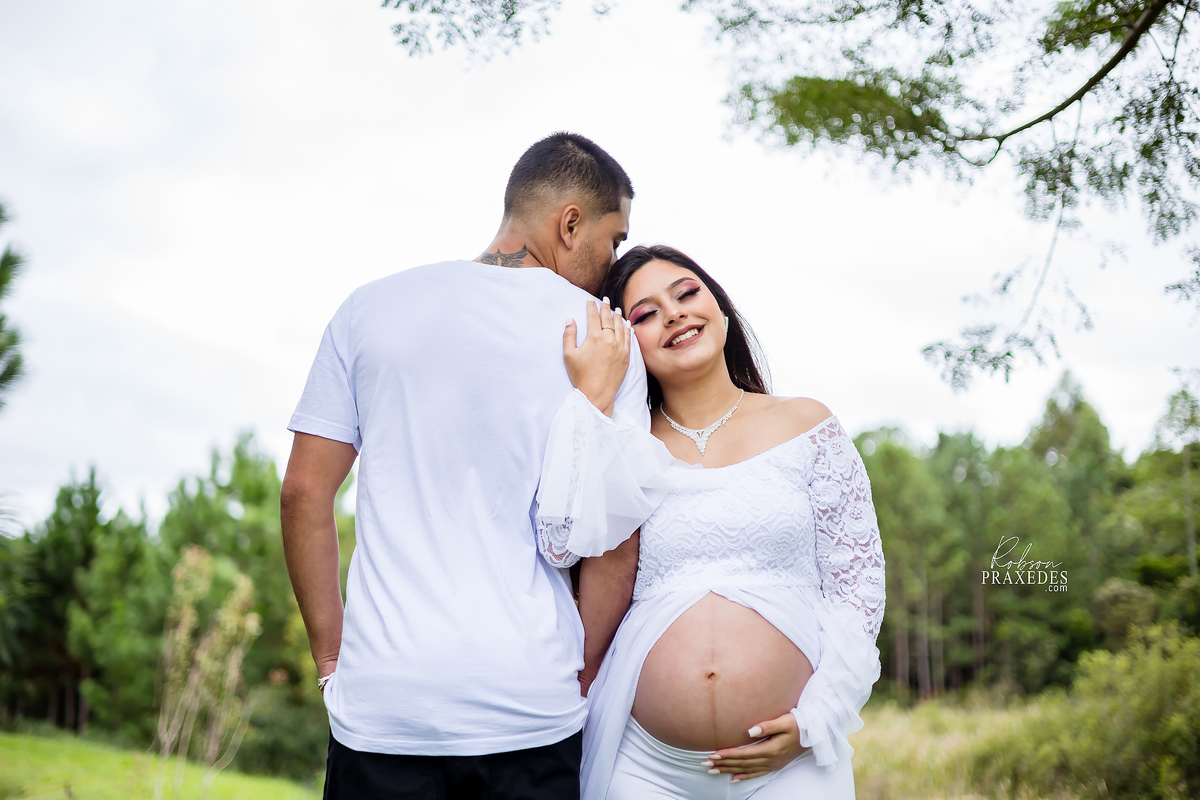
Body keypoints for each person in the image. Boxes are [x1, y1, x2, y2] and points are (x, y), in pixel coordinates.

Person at [280, 132, 650, 800]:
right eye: (613, 239)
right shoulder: (605, 337)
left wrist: (332, 659)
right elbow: (616, 542)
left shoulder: (370, 308)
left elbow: (305, 493)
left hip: (385, 705)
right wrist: (581, 673)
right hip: (530, 702)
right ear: (570, 222)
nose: (612, 262)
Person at [541, 245, 886, 799]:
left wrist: (819, 718)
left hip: (789, 763)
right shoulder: (624, 444)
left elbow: (859, 587)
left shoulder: (806, 424)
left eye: (685, 293)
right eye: (645, 314)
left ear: (720, 306)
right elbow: (561, 543)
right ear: (629, 343)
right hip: (645, 765)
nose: (674, 314)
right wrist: (593, 400)